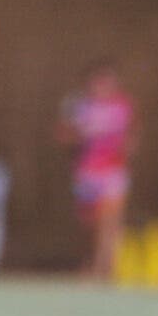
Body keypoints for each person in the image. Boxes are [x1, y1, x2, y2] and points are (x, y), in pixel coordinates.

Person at [59, 63, 134, 279]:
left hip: (112, 171)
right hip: (86, 172)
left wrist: (124, 150)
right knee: (88, 224)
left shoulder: (122, 106)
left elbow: (131, 137)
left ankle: (105, 269)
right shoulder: (81, 107)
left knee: (110, 222)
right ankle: (88, 264)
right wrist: (75, 132)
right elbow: (65, 137)